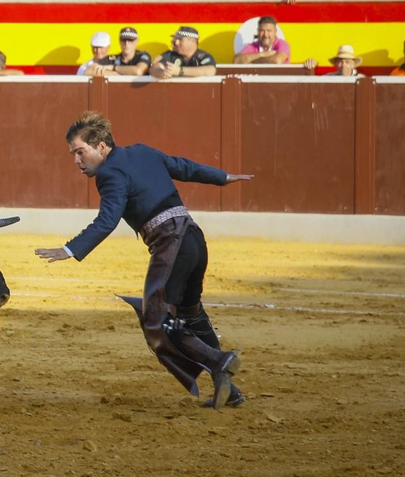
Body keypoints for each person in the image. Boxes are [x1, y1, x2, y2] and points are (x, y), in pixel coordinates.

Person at [34, 112, 251, 409]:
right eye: (73, 154)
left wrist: (70, 249)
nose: (76, 160)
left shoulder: (109, 175)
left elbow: (107, 220)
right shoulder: (142, 151)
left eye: (80, 151)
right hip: (194, 241)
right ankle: (230, 390)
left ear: (100, 146)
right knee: (190, 314)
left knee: (157, 321)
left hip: (170, 245)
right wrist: (222, 177)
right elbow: (183, 167)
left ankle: (218, 359)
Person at [150, 25, 217, 79]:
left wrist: (179, 71)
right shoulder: (172, 54)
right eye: (176, 39)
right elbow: (154, 68)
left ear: (192, 42)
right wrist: (162, 72)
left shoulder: (202, 56)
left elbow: (210, 70)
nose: (176, 43)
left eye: (180, 40)